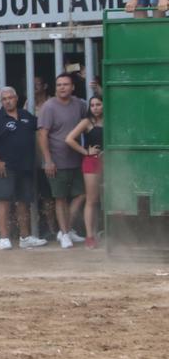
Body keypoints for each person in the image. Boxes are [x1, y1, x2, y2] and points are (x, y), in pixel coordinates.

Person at [0, 86, 46, 250]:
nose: (8, 101)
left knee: (24, 202)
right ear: (1, 101)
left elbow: (41, 130)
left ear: (17, 99)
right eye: (4, 99)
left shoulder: (26, 116)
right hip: (6, 167)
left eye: (10, 98)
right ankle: (4, 238)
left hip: (25, 166)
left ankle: (25, 237)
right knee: (4, 201)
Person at [38, 72, 89, 249]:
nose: (62, 87)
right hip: (56, 161)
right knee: (60, 198)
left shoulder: (80, 104)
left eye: (66, 84)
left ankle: (65, 228)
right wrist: (48, 161)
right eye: (59, 84)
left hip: (76, 159)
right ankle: (66, 233)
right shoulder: (49, 107)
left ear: (73, 87)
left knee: (82, 194)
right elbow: (42, 135)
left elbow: (95, 111)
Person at [65, 95, 103, 249]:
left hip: (111, 162)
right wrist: (85, 152)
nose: (95, 108)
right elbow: (69, 139)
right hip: (92, 162)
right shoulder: (87, 122)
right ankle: (90, 236)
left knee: (110, 199)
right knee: (92, 200)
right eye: (92, 105)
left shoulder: (112, 119)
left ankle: (105, 233)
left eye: (98, 104)